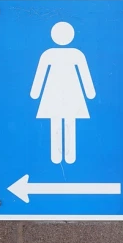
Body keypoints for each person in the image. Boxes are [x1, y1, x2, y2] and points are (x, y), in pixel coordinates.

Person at [30, 22, 96, 164]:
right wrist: (90, 93)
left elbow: (84, 73)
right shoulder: (65, 54)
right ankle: (60, 157)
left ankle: (64, 157)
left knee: (65, 122)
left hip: (62, 93)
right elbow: (41, 74)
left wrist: (35, 93)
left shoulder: (60, 54)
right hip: (60, 92)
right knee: (62, 122)